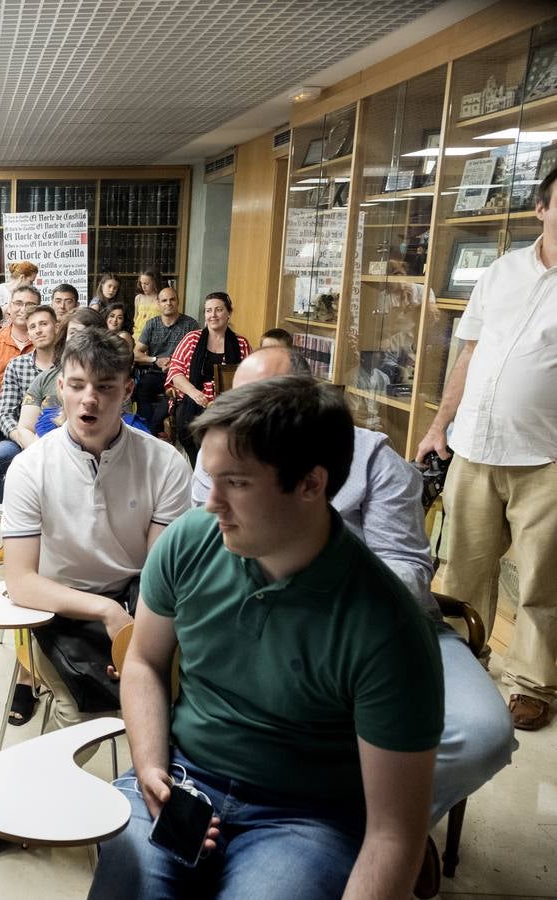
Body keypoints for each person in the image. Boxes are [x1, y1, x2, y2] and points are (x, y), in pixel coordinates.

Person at [90, 376, 444, 900]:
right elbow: (143, 660)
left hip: (308, 815)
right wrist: (150, 766)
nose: (210, 504)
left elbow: (395, 834)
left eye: (235, 483)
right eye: (210, 479)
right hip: (184, 775)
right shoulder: (191, 543)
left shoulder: (385, 626)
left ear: (311, 484)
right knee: (128, 882)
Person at [195, 348, 513, 855]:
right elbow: (209, 550)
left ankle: (379, 829)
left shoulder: (374, 460)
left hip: (393, 626)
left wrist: (328, 594)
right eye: (239, 399)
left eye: (263, 402)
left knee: (482, 733)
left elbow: (409, 570)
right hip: (262, 619)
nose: (244, 417)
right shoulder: (221, 454)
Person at [0, 329, 192, 856]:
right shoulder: (30, 467)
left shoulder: (164, 462)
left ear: (127, 391)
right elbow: (21, 581)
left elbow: (161, 571)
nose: (89, 399)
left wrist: (135, 635)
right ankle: (24, 807)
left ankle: (158, 798)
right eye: (77, 385)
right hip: (58, 604)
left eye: (105, 388)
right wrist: (105, 612)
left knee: (178, 695)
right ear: (59, 389)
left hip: (143, 601)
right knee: (83, 710)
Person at [415, 166, 557, 731]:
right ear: (541, 209)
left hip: (545, 456)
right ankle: (459, 664)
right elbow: (467, 355)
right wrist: (438, 425)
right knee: (460, 570)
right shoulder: (500, 273)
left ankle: (533, 684)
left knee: (544, 581)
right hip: (474, 448)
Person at [0, 303, 58, 522]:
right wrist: (25, 440)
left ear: (56, 327)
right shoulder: (16, 365)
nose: (37, 330)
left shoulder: (70, 363)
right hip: (22, 437)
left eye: (43, 324)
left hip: (61, 438)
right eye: (32, 326)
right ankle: (13, 526)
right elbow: (6, 414)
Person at [166, 291, 251, 464]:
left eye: (218, 310)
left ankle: (217, 468)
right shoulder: (192, 339)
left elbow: (249, 379)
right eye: (208, 310)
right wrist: (195, 393)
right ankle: (202, 466)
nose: (212, 315)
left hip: (229, 402)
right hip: (194, 398)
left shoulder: (241, 344)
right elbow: (175, 372)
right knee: (188, 431)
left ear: (229, 312)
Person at [18, 306, 105, 439]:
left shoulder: (112, 381)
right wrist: (40, 455)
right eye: (73, 333)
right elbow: (25, 427)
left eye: (87, 333)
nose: (80, 339)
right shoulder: (45, 378)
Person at [133, 285, 199, 436]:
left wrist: (175, 365)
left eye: (172, 299)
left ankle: (153, 430)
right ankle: (147, 428)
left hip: (180, 375)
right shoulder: (152, 324)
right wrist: (155, 360)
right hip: (156, 372)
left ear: (178, 301)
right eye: (164, 300)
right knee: (141, 389)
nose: (168, 303)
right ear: (158, 304)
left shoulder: (190, 324)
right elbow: (136, 353)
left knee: (171, 397)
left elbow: (196, 354)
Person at [131, 269, 162, 336]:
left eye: (146, 284)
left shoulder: (161, 298)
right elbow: (135, 317)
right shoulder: (138, 298)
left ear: (155, 283)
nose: (143, 287)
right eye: (141, 283)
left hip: (155, 335)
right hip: (138, 334)